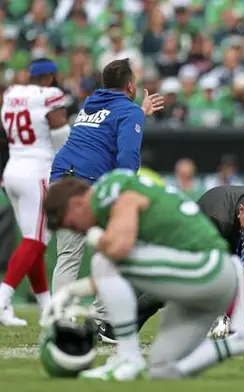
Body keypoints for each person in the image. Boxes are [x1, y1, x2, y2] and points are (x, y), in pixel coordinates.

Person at [42, 169, 244, 381]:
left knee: (104, 258)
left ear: (76, 204)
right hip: (208, 275)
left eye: (71, 224)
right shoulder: (112, 192)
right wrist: (75, 289)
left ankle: (128, 357)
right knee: (162, 370)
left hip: (209, 268)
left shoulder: (110, 190)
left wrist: (74, 285)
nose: (77, 230)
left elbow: (120, 248)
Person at [49, 58, 164, 340]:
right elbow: (127, 156)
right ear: (130, 86)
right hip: (87, 185)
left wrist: (139, 113)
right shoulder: (129, 110)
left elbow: (109, 124)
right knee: (114, 251)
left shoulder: (90, 103)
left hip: (60, 179)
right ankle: (101, 319)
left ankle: (59, 320)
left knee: (68, 256)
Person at [0, 58, 70, 325]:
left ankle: (46, 307)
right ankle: (2, 299)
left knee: (33, 243)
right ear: (50, 77)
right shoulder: (49, 95)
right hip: (37, 171)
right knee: (36, 241)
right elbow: (60, 130)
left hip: (12, 168)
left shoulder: (12, 93)